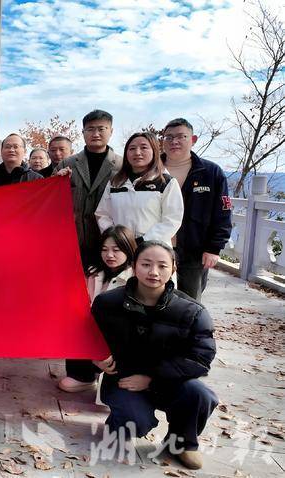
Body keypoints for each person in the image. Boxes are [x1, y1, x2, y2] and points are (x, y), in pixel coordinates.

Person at [91, 241, 217, 471]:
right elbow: (85, 339)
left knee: (200, 394)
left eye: (162, 266)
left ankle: (181, 443)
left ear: (173, 268)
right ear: (133, 266)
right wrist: (95, 358)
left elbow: (201, 357)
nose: (154, 272)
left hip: (170, 381)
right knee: (134, 421)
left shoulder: (191, 311)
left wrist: (152, 378)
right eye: (146, 264)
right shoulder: (107, 303)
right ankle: (118, 426)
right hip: (124, 380)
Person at [58, 225, 136, 393]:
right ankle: (83, 375)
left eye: (116, 250)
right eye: (104, 250)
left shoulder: (135, 279)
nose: (109, 255)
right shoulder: (93, 273)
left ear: (128, 249)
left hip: (117, 345)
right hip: (90, 341)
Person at [162, 118, 232, 301]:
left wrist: (214, 248)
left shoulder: (210, 172)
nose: (174, 142)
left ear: (193, 140)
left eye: (181, 137)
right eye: (168, 137)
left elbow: (223, 213)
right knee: (153, 299)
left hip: (193, 250)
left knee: (189, 302)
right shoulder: (152, 169)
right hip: (157, 246)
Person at [55, 110, 122, 269]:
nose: (96, 134)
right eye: (90, 129)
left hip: (108, 244)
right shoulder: (67, 164)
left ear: (111, 131)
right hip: (72, 241)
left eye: (101, 129)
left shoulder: (122, 166)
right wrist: (56, 182)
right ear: (83, 132)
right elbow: (50, 200)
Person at [95, 132, 184, 245]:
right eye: (132, 148)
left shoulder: (166, 182)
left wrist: (144, 241)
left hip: (155, 248)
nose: (137, 152)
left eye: (144, 147)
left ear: (154, 151)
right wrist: (117, 238)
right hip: (122, 247)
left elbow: (172, 219)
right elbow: (103, 214)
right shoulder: (115, 182)